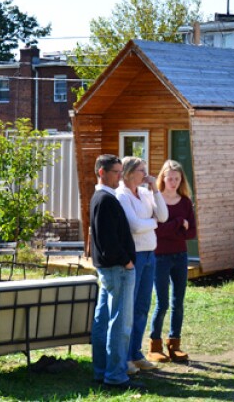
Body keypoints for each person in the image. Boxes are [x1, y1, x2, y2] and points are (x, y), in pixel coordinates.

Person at [90, 154, 143, 391]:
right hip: (117, 269)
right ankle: (115, 374)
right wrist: (127, 262)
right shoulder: (105, 199)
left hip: (109, 269)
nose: (120, 177)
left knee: (104, 321)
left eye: (122, 172)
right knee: (120, 323)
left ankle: (103, 371)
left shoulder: (102, 198)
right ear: (102, 172)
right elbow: (108, 240)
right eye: (116, 172)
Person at [116, 156, 168, 374]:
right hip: (134, 255)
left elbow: (163, 216)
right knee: (129, 305)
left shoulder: (146, 193)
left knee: (142, 306)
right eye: (141, 170)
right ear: (128, 172)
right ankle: (125, 356)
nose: (145, 174)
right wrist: (152, 223)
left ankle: (136, 352)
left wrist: (155, 189)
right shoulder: (122, 195)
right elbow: (134, 226)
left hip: (150, 254)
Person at [147, 160, 197, 363]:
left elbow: (191, 232)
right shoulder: (155, 200)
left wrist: (172, 229)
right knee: (162, 302)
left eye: (177, 179)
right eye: (170, 179)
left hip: (180, 256)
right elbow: (156, 231)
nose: (174, 182)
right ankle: (155, 344)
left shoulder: (185, 202)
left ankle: (174, 344)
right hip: (159, 257)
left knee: (178, 302)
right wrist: (178, 224)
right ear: (163, 179)